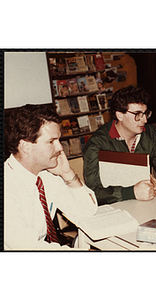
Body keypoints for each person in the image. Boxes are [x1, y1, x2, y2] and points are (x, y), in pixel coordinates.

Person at [4, 104, 98, 250]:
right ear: (25, 146)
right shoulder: (8, 187)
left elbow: (87, 212)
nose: (60, 148)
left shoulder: (46, 173)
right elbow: (27, 248)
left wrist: (68, 174)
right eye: (51, 141)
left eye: (59, 140)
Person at [83, 85, 156, 205]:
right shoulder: (97, 143)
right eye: (137, 114)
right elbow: (93, 192)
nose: (144, 120)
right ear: (120, 115)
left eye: (145, 113)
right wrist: (131, 192)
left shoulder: (149, 133)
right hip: (112, 209)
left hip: (144, 205)